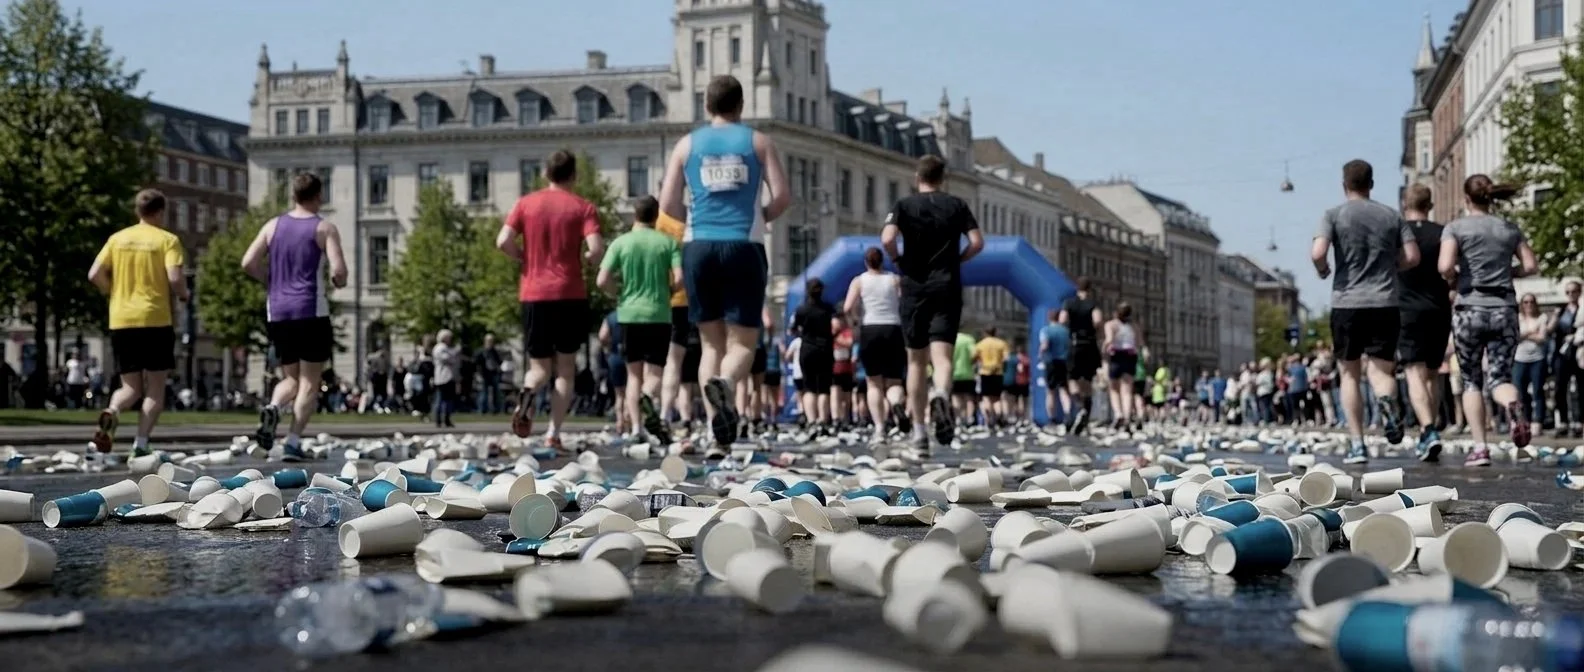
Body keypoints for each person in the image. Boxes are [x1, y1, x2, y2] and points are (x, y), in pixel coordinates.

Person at [659, 74, 792, 447]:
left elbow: (668, 204)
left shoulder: (686, 145)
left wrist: (695, 226)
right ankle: (729, 383)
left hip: (699, 246)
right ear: (742, 105)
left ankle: (716, 427)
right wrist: (758, 218)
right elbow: (782, 196)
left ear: (706, 105)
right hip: (744, 246)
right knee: (743, 344)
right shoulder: (759, 142)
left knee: (710, 344)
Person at [1311, 159, 1419, 464]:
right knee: (1381, 370)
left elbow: (1318, 252)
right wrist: (1390, 266)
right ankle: (1386, 400)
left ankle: (1358, 444)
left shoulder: (1333, 215)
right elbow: (1412, 256)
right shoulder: (1391, 215)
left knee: (1349, 374)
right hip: (1385, 301)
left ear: (1344, 184)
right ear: (1371, 184)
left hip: (1347, 302)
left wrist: (1324, 270)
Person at [497, 150, 605, 453]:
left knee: (539, 368)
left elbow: (502, 241)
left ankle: (529, 390)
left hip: (534, 294)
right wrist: (585, 259)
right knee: (565, 370)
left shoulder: (525, 204)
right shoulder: (583, 208)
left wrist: (522, 256)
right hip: (570, 294)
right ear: (574, 175)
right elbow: (596, 249)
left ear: (546, 173)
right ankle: (553, 434)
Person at [881, 154, 985, 451]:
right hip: (947, 285)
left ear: (918, 177)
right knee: (942, 357)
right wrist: (958, 260)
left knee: (916, 361)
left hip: (914, 285)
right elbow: (977, 243)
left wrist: (899, 259)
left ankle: (919, 431)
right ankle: (941, 393)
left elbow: (887, 238)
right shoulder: (957, 205)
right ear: (944, 178)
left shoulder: (904, 205)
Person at [241, 174, 347, 460]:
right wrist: (339, 282)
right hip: (311, 311)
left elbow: (248, 263)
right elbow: (338, 271)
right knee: (310, 382)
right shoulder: (324, 228)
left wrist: (270, 280)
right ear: (318, 196)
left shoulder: (272, 225)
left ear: (293, 195)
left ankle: (274, 406)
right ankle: (292, 440)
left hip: (278, 312)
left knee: (290, 378)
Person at [1439, 175, 1539, 465]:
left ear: (1466, 199)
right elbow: (1531, 265)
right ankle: (1512, 405)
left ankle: (1480, 448)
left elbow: (1445, 265)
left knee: (1471, 380)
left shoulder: (1456, 228)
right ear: (1491, 197)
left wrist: (1456, 279)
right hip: (1504, 309)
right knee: (1500, 378)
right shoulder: (1508, 228)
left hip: (1469, 308)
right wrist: (1512, 274)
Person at [86, 189, 188, 456]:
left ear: (138, 211)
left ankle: (113, 411)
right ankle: (141, 444)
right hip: (155, 319)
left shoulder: (117, 239)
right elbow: (175, 279)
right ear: (160, 212)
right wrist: (184, 295)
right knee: (155, 388)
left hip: (122, 320)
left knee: (129, 387)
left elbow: (94, 274)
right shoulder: (167, 240)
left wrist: (112, 291)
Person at [597, 194, 682, 444]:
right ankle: (648, 396)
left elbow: (602, 280)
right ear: (657, 216)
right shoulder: (668, 243)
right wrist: (668, 293)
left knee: (633, 374)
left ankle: (635, 428)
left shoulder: (620, 243)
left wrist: (619, 294)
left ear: (635, 215)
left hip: (629, 313)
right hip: (659, 314)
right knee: (654, 372)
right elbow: (679, 279)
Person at [1393, 183, 1453, 460]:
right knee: (1432, 373)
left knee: (1414, 372)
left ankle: (1428, 429)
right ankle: (1432, 427)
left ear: (1405, 205)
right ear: (1430, 205)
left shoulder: (1398, 234)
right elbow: (1451, 270)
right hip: (1439, 308)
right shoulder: (1443, 233)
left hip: (1407, 310)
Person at [843, 247, 909, 445]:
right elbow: (904, 303)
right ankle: (896, 404)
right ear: (883, 262)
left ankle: (879, 428)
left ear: (866, 262)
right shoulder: (894, 279)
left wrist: (854, 323)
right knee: (894, 382)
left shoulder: (859, 280)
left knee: (873, 383)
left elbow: (847, 307)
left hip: (870, 328)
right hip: (892, 328)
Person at [1059, 278, 1106, 435]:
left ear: (1076, 288)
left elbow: (1062, 320)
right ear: (1089, 288)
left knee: (1072, 378)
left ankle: (1079, 407)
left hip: (1075, 343)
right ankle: (1086, 410)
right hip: (1090, 344)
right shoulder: (1094, 304)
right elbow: (1098, 321)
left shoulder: (1069, 303)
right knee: (1087, 380)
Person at [792, 279, 835, 433]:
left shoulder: (802, 309)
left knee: (809, 387)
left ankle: (811, 421)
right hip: (825, 349)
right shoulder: (828, 309)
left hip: (808, 349)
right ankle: (823, 421)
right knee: (823, 388)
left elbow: (793, 329)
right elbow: (836, 326)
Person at [1514, 293, 1552, 434]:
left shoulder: (1542, 317)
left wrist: (1525, 334)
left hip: (1537, 359)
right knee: (1521, 392)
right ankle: (1526, 420)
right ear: (1522, 304)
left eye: (1531, 302)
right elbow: (1515, 336)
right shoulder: (1517, 317)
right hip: (1520, 359)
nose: (1529, 305)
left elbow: (1542, 338)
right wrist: (1531, 332)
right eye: (1525, 302)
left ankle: (1539, 421)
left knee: (1538, 391)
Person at [1102, 303, 1142, 429]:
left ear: (1116, 312)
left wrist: (1103, 351)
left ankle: (1118, 413)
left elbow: (1109, 340)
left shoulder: (1111, 324)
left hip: (1116, 355)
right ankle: (1127, 416)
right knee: (1127, 389)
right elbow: (1139, 342)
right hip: (1130, 355)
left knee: (1113, 388)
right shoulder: (1134, 326)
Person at [1555, 281, 1584, 438]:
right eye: (1568, 292)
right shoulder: (1561, 311)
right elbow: (1553, 331)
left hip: (1579, 352)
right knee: (1560, 388)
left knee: (1581, 388)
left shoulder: (1582, 309)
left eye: (1574, 291)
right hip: (1562, 353)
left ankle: (1579, 421)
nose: (1571, 295)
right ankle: (1563, 421)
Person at [1038, 309, 1071, 427]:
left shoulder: (1046, 330)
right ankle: (1068, 415)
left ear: (1049, 318)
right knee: (1063, 389)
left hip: (1051, 361)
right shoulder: (1066, 331)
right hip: (1064, 361)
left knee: (1050, 391)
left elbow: (1045, 345)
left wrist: (1040, 354)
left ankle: (1051, 418)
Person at [596, 312, 628, 434]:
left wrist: (608, 347)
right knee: (631, 391)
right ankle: (629, 421)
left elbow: (602, 336)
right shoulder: (632, 315)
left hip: (615, 356)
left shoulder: (611, 317)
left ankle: (620, 422)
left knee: (619, 394)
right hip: (631, 356)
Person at [973, 327, 1010, 428]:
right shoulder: (1001, 343)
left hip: (985, 372)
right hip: (998, 372)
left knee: (986, 397)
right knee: (997, 398)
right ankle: (998, 416)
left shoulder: (980, 344)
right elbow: (1006, 358)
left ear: (985, 333)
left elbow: (973, 357)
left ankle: (989, 419)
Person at [757, 309, 784, 430]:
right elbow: (784, 353)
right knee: (774, 397)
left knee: (763, 394)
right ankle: (773, 419)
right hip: (776, 370)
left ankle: (764, 417)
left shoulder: (761, 341)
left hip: (765, 369)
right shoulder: (777, 340)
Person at [830, 315, 856, 427]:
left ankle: (846, 418)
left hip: (846, 368)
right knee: (835, 393)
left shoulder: (846, 332)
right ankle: (836, 418)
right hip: (834, 368)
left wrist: (836, 337)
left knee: (847, 396)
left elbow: (849, 343)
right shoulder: (828, 333)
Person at [431, 330, 460, 428]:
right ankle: (438, 419)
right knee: (440, 399)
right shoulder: (440, 348)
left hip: (448, 377)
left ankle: (446, 419)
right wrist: (454, 354)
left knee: (448, 400)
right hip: (443, 377)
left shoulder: (447, 348)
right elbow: (448, 358)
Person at [951, 331, 979, 426]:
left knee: (956, 397)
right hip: (968, 373)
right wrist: (971, 363)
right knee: (969, 398)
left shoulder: (951, 338)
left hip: (954, 373)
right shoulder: (969, 339)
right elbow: (975, 354)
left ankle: (958, 418)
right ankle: (969, 418)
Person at [474, 335, 503, 414]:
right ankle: (482, 409)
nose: (490, 343)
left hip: (493, 373)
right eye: (489, 341)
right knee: (484, 393)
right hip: (484, 374)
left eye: (492, 341)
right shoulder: (481, 351)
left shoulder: (494, 351)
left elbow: (500, 361)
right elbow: (476, 361)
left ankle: (496, 410)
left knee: (496, 393)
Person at [1009, 340, 1032, 422]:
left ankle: (1018, 417)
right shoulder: (1027, 359)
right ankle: (1023, 417)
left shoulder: (1016, 359)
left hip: (1017, 381)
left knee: (1017, 400)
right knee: (1024, 400)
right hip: (1025, 381)